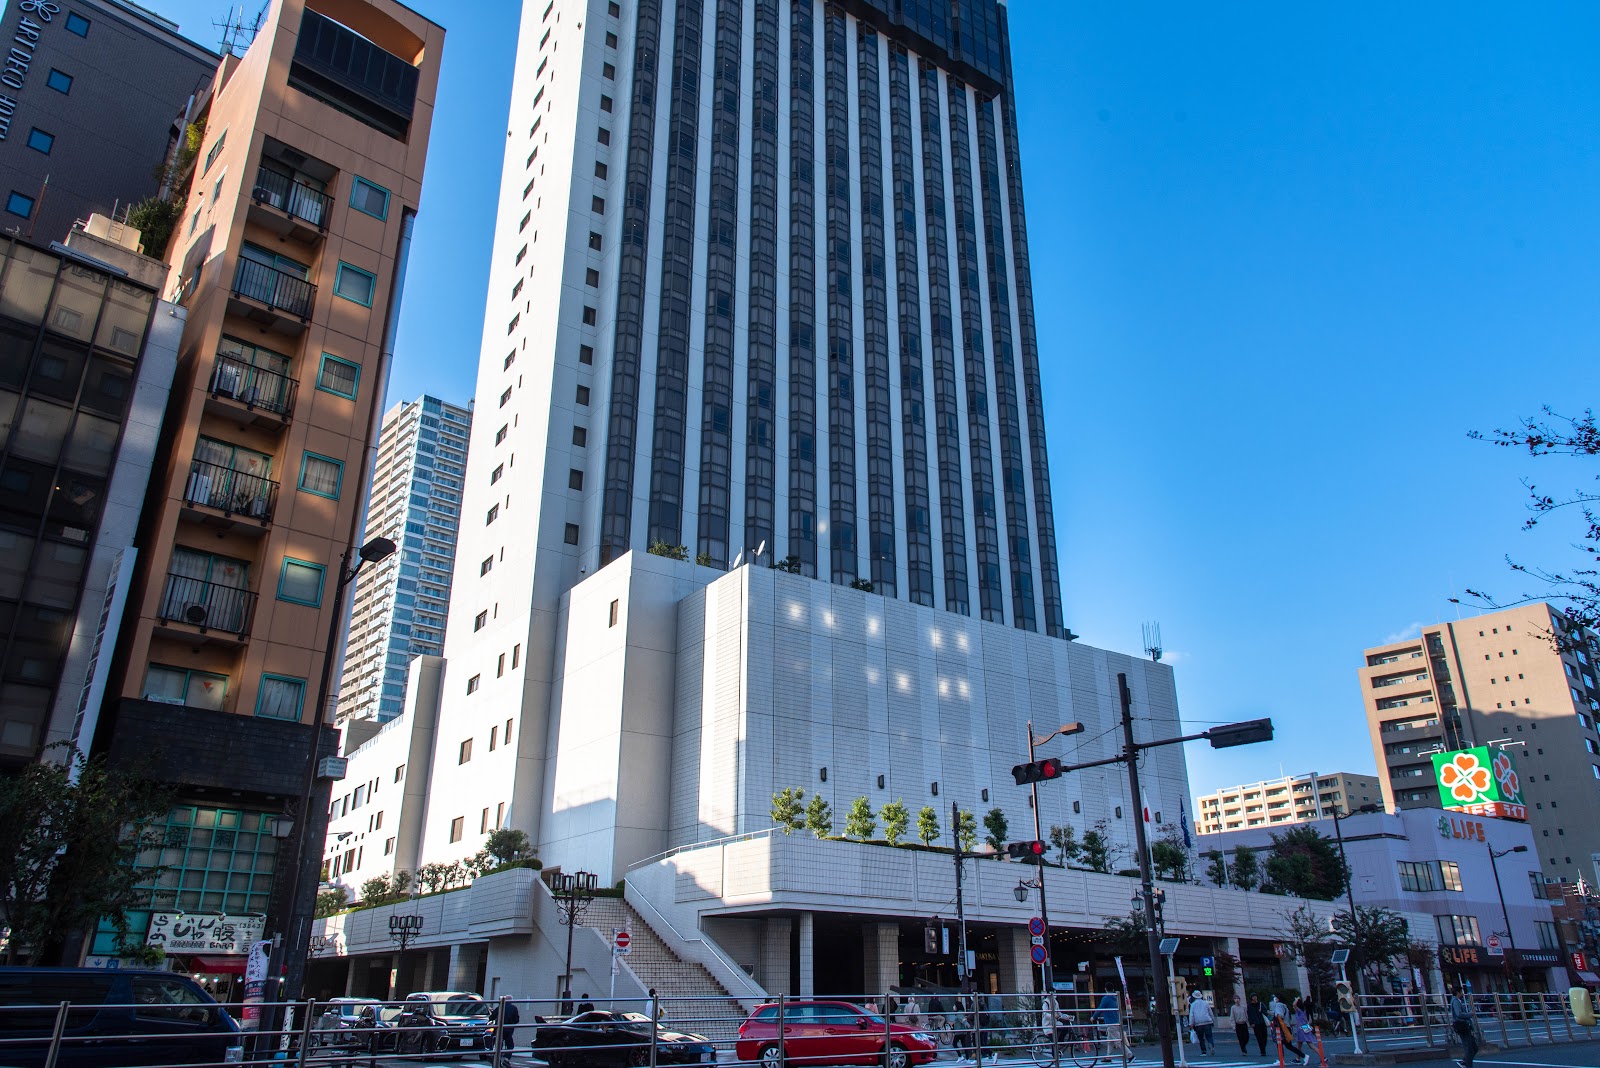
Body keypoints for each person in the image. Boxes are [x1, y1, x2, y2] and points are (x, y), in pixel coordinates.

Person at [1449, 987, 1478, 1068]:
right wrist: (1470, 1014)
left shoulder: (1456, 1001)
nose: (1462, 993)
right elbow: (1459, 1014)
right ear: (1458, 992)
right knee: (1469, 1048)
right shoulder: (1455, 1001)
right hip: (1462, 1026)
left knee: (1474, 1047)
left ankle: (1465, 1062)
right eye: (1461, 991)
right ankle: (1468, 1065)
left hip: (1464, 1025)